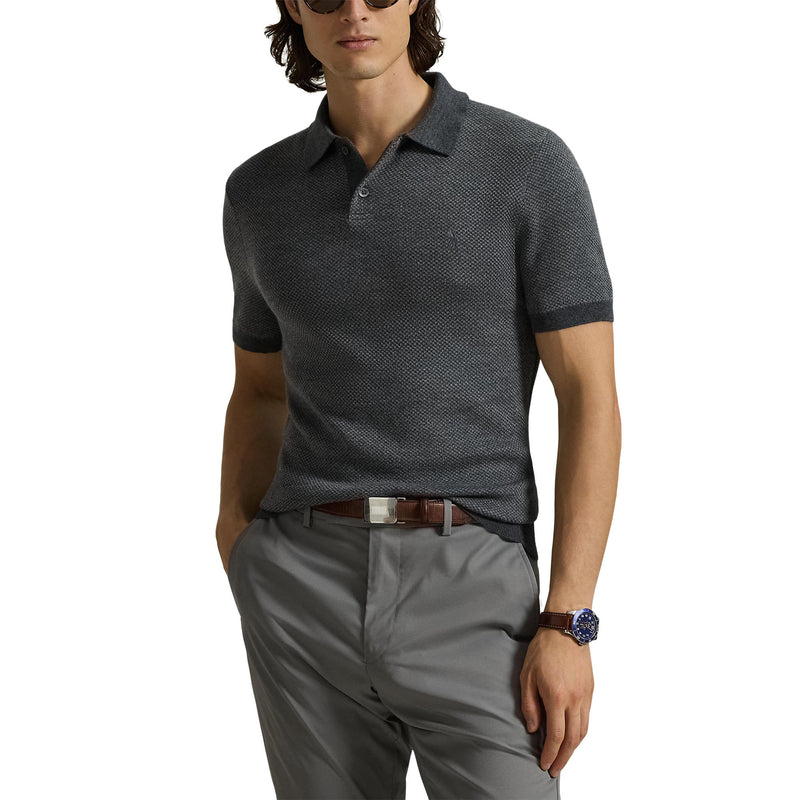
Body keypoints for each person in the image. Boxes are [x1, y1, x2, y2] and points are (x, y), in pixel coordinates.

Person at [216, 1, 621, 797]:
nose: (355, 11)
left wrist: (569, 620)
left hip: (473, 578)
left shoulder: (525, 164)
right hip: (303, 584)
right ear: (294, 7)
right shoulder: (259, 191)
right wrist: (241, 544)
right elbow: (260, 387)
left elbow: (589, 395)